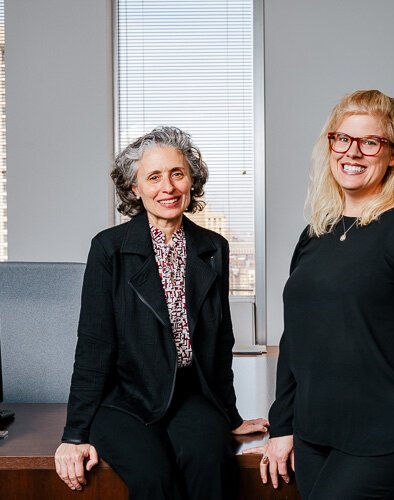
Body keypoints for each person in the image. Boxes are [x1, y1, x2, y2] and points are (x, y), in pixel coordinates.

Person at [254, 90, 394, 499]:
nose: (352, 153)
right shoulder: (316, 234)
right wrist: (283, 424)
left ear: (393, 154)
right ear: (330, 145)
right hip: (315, 432)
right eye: (343, 139)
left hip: (389, 435)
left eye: (370, 142)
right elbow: (296, 339)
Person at [54, 126, 268, 499]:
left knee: (212, 463)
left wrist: (231, 417)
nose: (167, 187)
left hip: (189, 394)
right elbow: (94, 345)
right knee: (155, 479)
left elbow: (219, 344)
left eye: (177, 174)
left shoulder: (213, 247)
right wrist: (74, 435)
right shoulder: (109, 248)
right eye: (153, 177)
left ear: (191, 181)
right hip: (123, 398)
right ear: (135, 188)